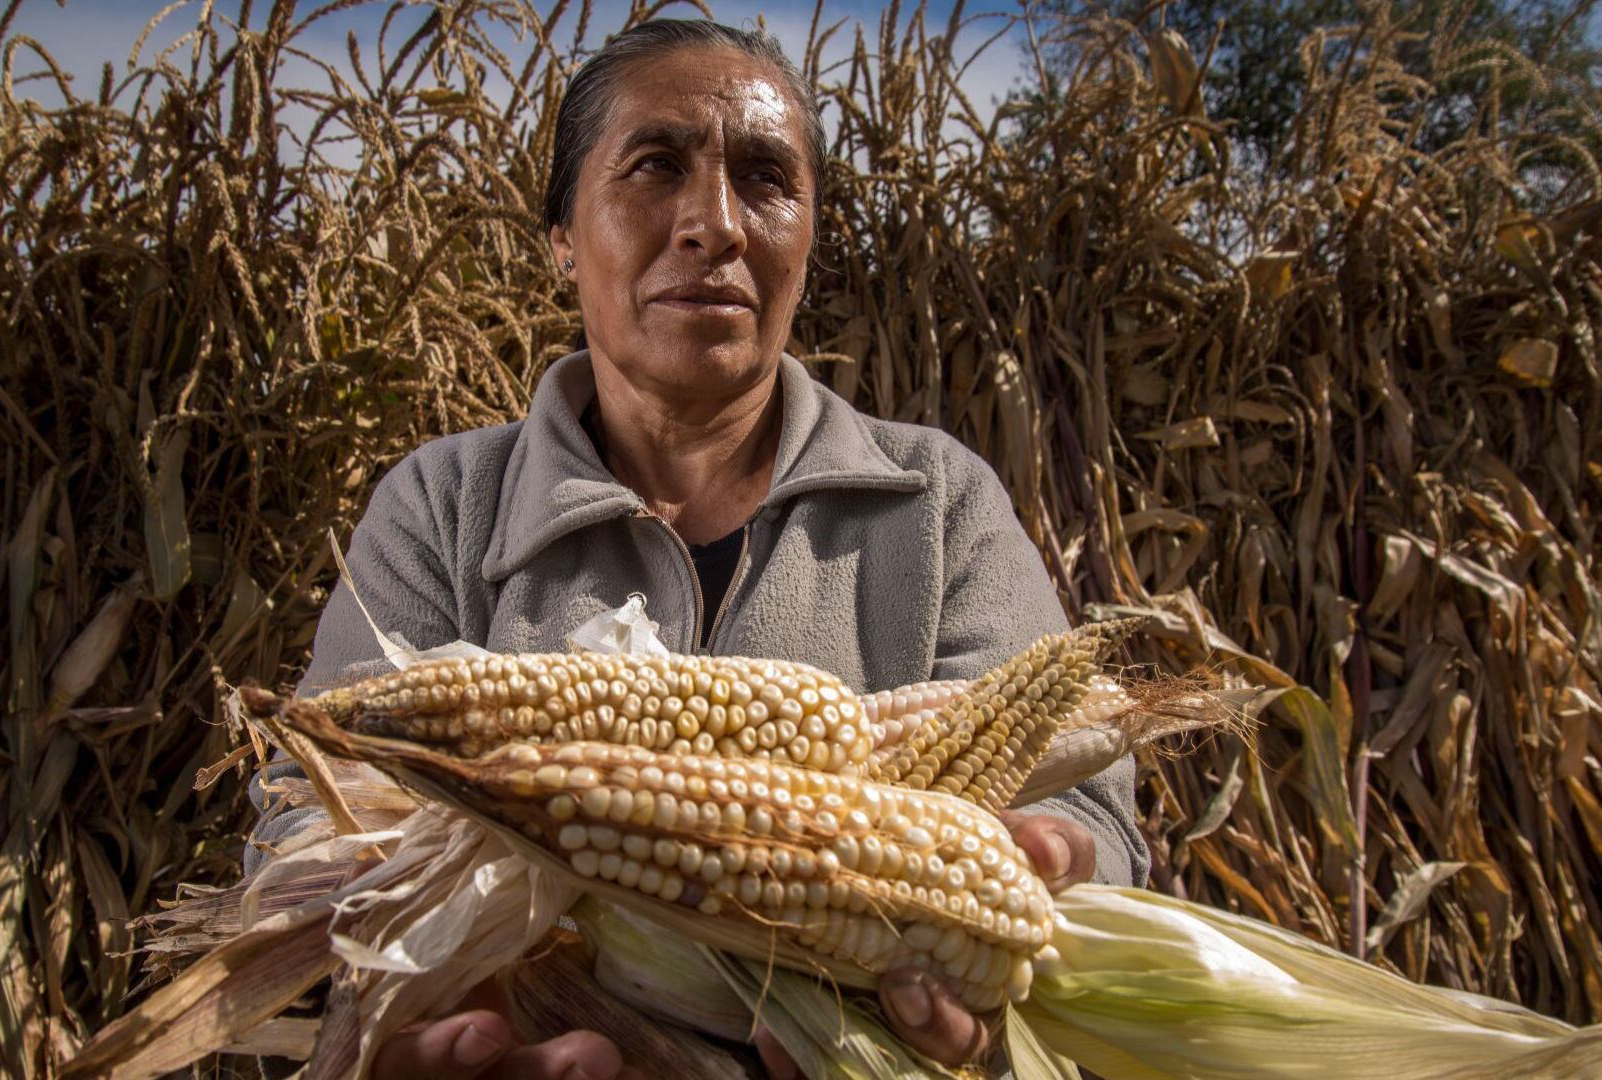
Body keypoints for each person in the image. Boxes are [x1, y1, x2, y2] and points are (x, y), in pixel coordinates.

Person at [248, 18, 1149, 1079]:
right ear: (563, 236)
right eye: (656, 166)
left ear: (807, 240)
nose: (714, 225)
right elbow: (309, 829)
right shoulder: (445, 504)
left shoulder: (937, 502)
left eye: (765, 179)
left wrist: (1032, 891)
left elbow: (1081, 813)